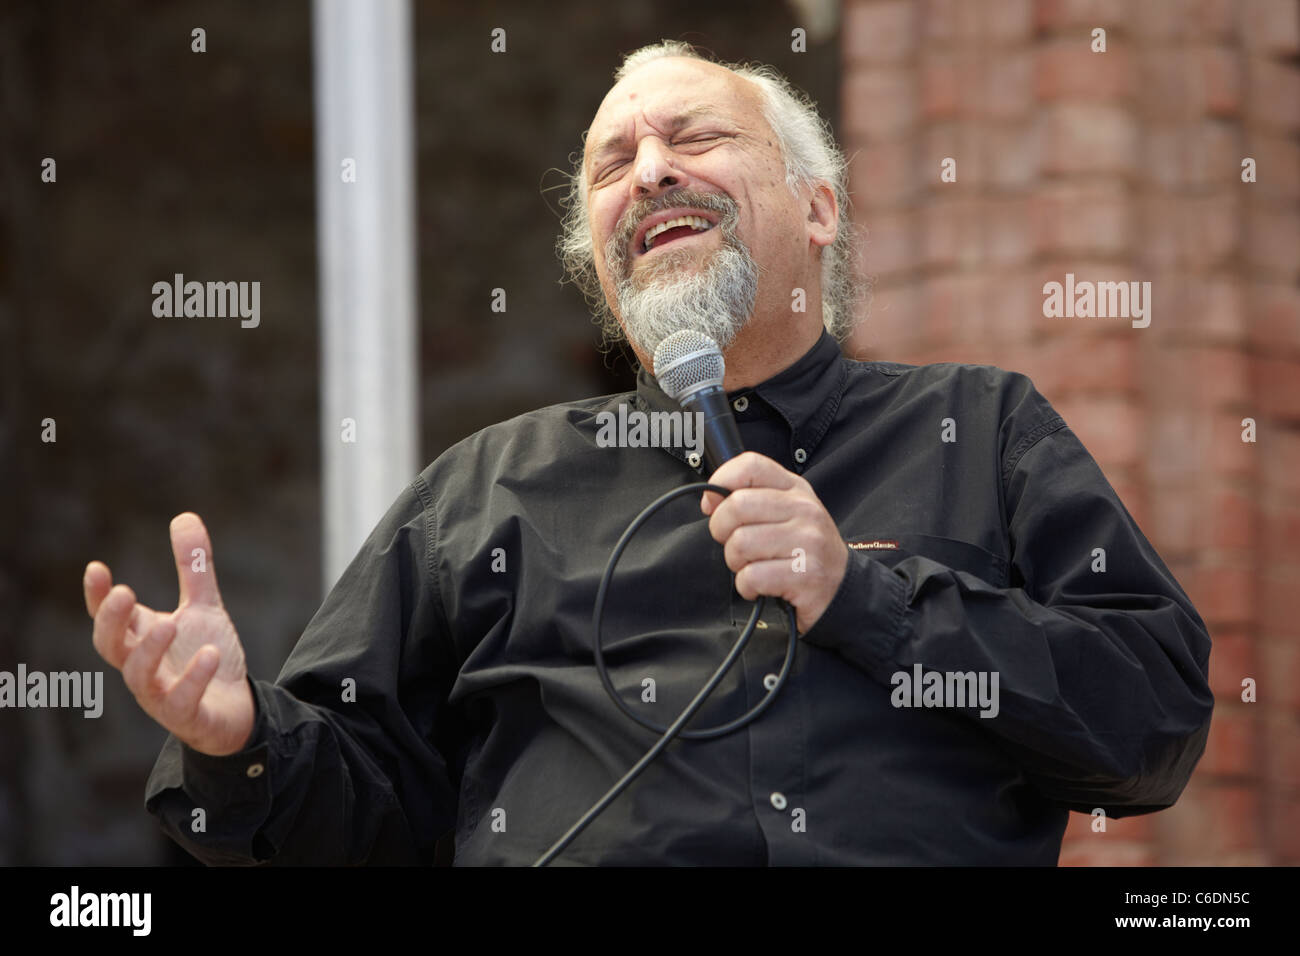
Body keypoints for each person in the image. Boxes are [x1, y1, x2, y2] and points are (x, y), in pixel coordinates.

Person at [84, 40, 1214, 865]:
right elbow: (367, 807)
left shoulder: (982, 426)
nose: (651, 170)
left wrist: (866, 594)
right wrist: (236, 739)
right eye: (612, 162)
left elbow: (1152, 726)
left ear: (817, 212)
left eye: (697, 137)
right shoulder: (486, 491)